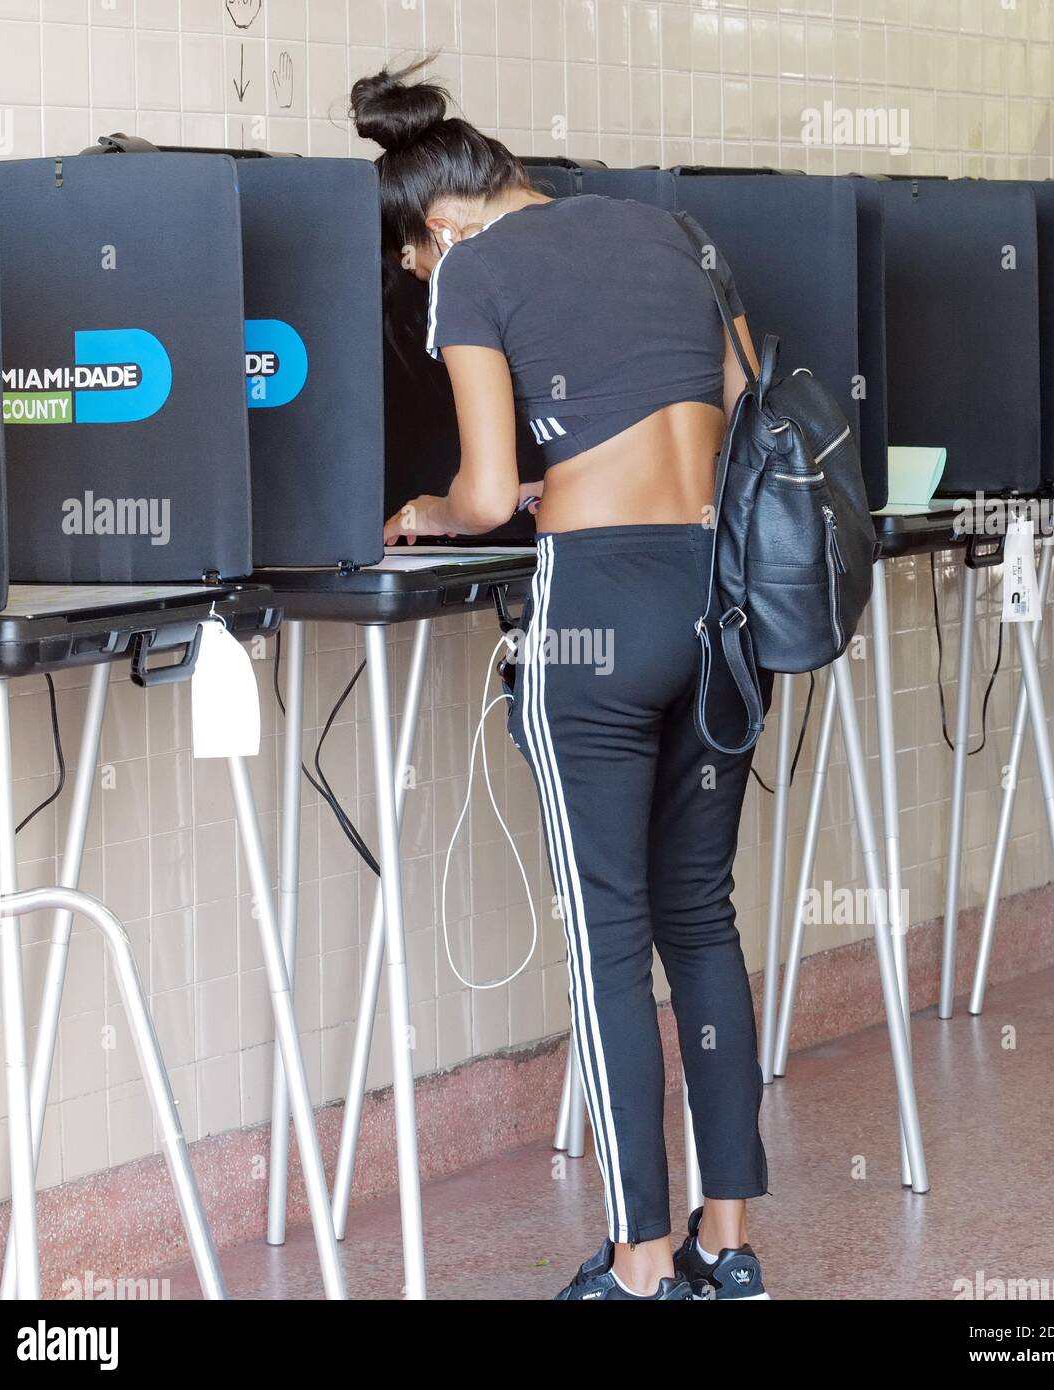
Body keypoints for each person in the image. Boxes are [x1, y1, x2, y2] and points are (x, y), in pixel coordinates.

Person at [352, 59, 773, 1302]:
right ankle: (726, 1241)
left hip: (594, 609)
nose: (425, 288)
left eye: (413, 269)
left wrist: (425, 508)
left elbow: (484, 496)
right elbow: (739, 416)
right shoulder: (676, 232)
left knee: (607, 936)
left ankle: (639, 1266)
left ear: (438, 225)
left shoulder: (475, 271)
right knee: (701, 916)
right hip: (721, 602)